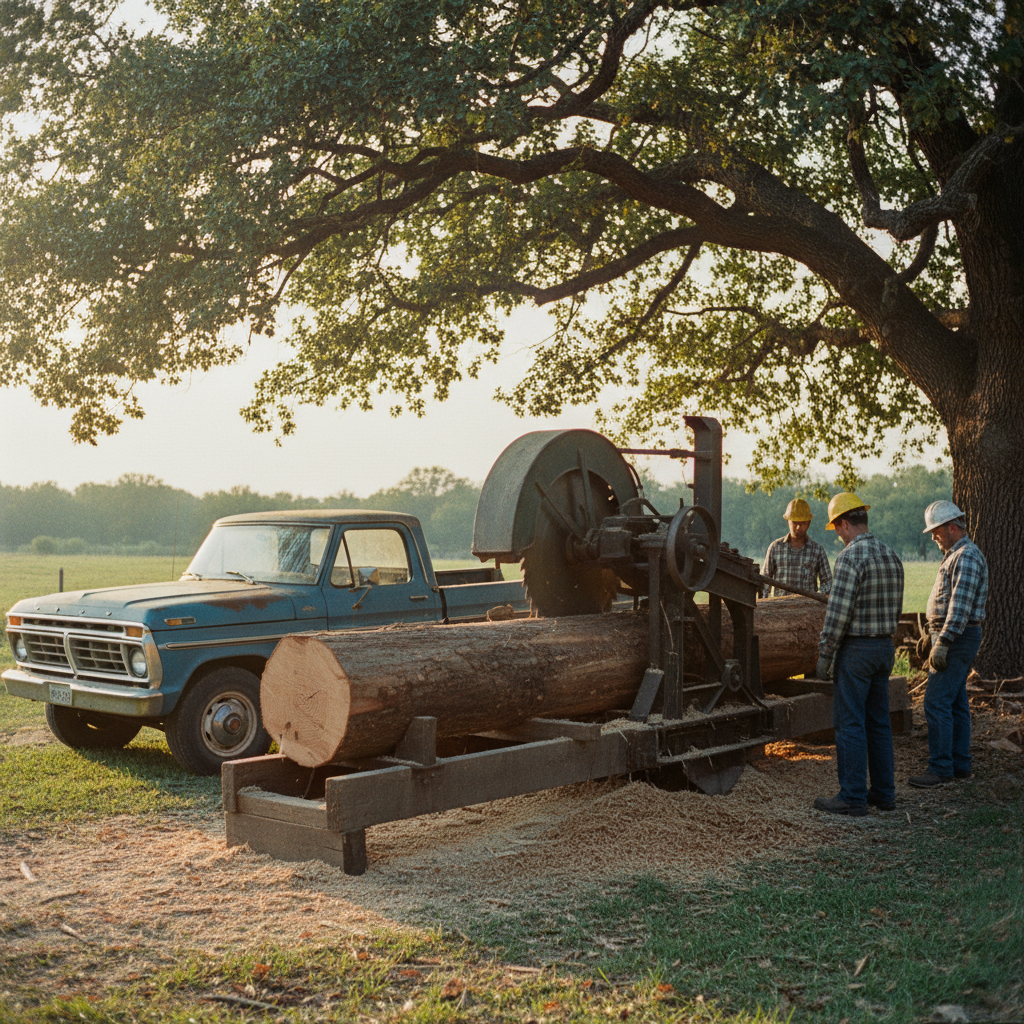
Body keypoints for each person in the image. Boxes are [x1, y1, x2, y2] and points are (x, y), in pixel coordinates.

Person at [813, 493, 904, 816]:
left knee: (850, 723)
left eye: (837, 529)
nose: (838, 536)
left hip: (857, 650)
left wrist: (825, 654)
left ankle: (852, 796)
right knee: (878, 723)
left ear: (845, 524)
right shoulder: (891, 554)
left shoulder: (851, 558)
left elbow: (838, 613)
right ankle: (884, 793)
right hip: (884, 647)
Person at [909, 500, 988, 788]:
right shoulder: (957, 554)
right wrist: (932, 635)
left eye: (936, 531)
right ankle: (960, 764)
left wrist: (942, 642)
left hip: (957, 637)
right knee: (955, 702)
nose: (932, 536)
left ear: (952, 528)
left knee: (936, 701)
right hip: (954, 635)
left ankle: (941, 768)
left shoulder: (965, 556)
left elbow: (959, 608)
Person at [761, 498, 833, 597]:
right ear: (788, 521)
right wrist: (764, 604)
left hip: (808, 609)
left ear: (808, 523)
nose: (798, 527)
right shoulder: (775, 547)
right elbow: (764, 581)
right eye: (795, 522)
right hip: (780, 608)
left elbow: (827, 583)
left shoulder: (817, 551)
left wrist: (817, 601)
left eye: (802, 523)